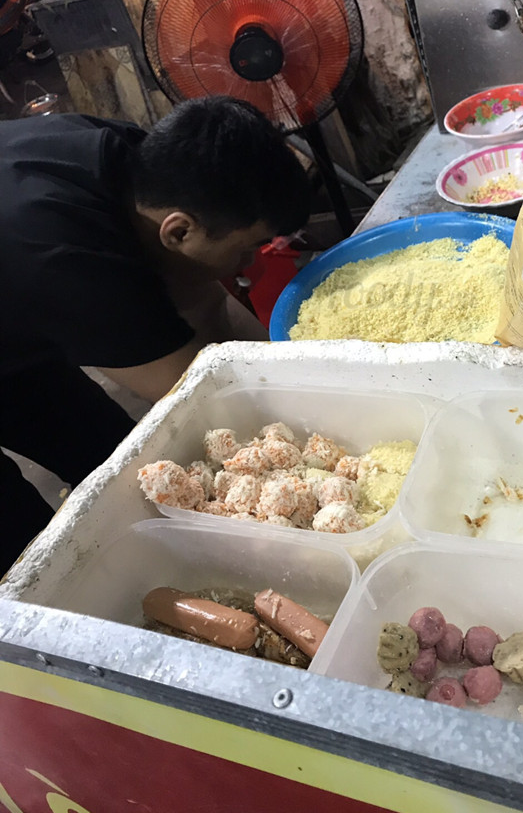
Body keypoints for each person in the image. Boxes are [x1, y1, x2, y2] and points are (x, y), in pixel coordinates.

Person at [0, 96, 311, 573]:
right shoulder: (69, 265)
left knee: (113, 462)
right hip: (26, 265)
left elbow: (207, 304)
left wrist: (290, 384)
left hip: (17, 311)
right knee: (27, 552)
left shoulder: (142, 160)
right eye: (247, 249)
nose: (251, 264)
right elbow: (199, 397)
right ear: (179, 232)